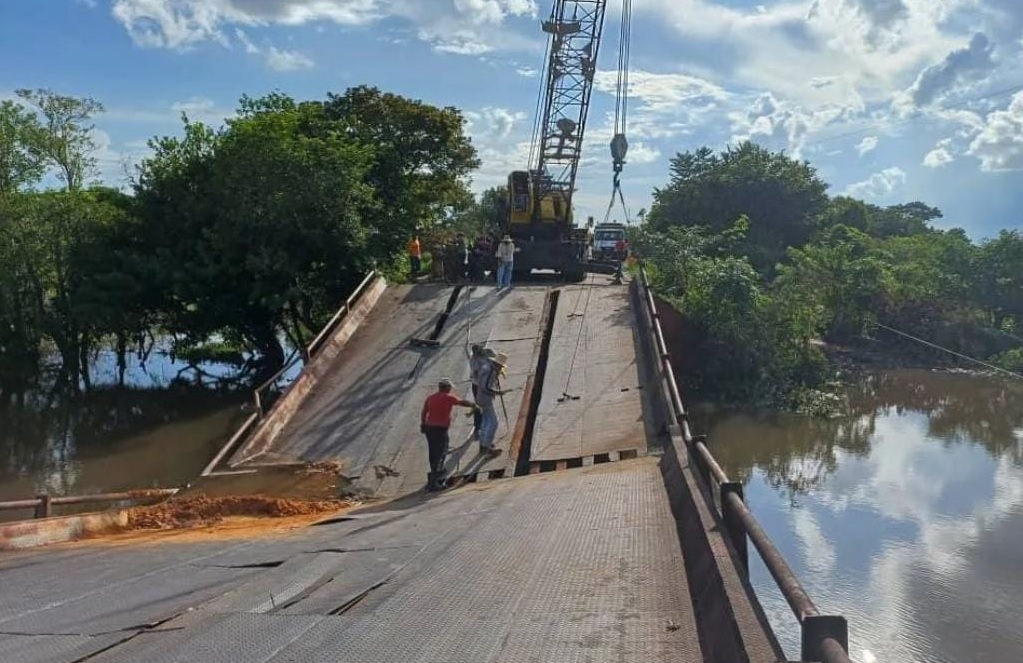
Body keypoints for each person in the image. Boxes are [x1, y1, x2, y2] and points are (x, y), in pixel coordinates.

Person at [420, 378, 480, 491]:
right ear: (446, 388)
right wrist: (474, 405)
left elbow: (424, 412)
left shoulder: (430, 398)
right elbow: (462, 402)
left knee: (433, 452)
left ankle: (434, 473)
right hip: (440, 429)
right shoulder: (448, 397)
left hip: (429, 428)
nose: (450, 389)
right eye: (449, 387)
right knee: (441, 451)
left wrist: (423, 424)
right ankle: (434, 481)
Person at [475, 350, 509, 456]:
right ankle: (487, 447)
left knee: (485, 422)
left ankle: (483, 445)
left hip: (480, 398)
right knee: (493, 423)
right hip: (485, 399)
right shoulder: (490, 371)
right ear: (497, 364)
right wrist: (497, 392)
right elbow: (485, 387)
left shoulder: (487, 367)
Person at [468, 343, 489, 439]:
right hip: (478, 385)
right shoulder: (474, 360)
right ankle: (478, 428)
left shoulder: (483, 355)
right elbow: (477, 373)